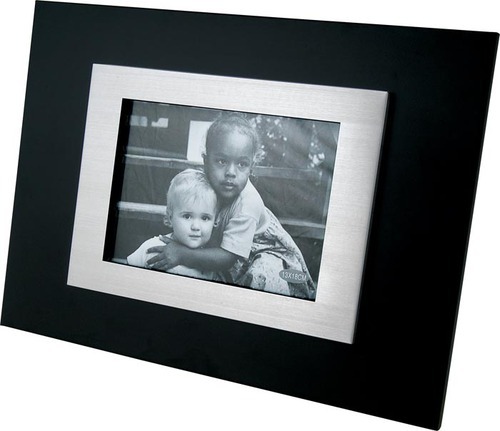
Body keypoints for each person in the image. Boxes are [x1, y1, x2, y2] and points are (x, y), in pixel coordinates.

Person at [147, 113, 316, 300]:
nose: (230, 173)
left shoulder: (247, 204)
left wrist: (183, 254)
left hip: (261, 249)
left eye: (242, 164)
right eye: (221, 161)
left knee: (264, 274)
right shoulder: (204, 184)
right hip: (228, 245)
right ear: (205, 161)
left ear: (251, 168)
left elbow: (227, 258)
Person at [127, 169, 218, 281]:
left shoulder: (212, 259)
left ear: (215, 220)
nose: (196, 227)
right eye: (187, 216)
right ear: (170, 217)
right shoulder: (153, 247)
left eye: (205, 218)